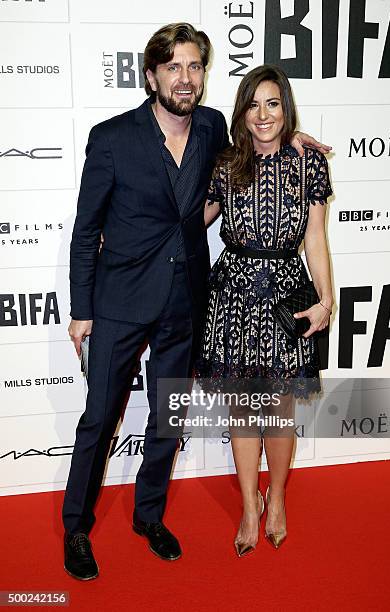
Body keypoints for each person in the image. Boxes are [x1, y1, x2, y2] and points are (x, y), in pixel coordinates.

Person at [63, 22, 330, 580]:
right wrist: (83, 308)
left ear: (203, 76)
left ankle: (149, 516)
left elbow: (262, 146)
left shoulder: (211, 128)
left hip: (186, 302)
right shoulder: (110, 138)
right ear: (152, 75)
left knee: (167, 419)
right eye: (173, 67)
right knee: (98, 419)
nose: (184, 78)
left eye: (194, 67)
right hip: (118, 300)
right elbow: (86, 231)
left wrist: (297, 138)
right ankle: (77, 527)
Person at [196, 64, 333, 556]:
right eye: (253, 104)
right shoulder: (225, 163)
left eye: (272, 103)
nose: (262, 114)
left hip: (287, 296)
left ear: (286, 108)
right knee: (242, 410)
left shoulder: (308, 163)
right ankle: (250, 509)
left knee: (278, 409)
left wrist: (326, 298)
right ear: (242, 111)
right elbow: (190, 219)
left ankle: (276, 499)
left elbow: (315, 237)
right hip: (232, 294)